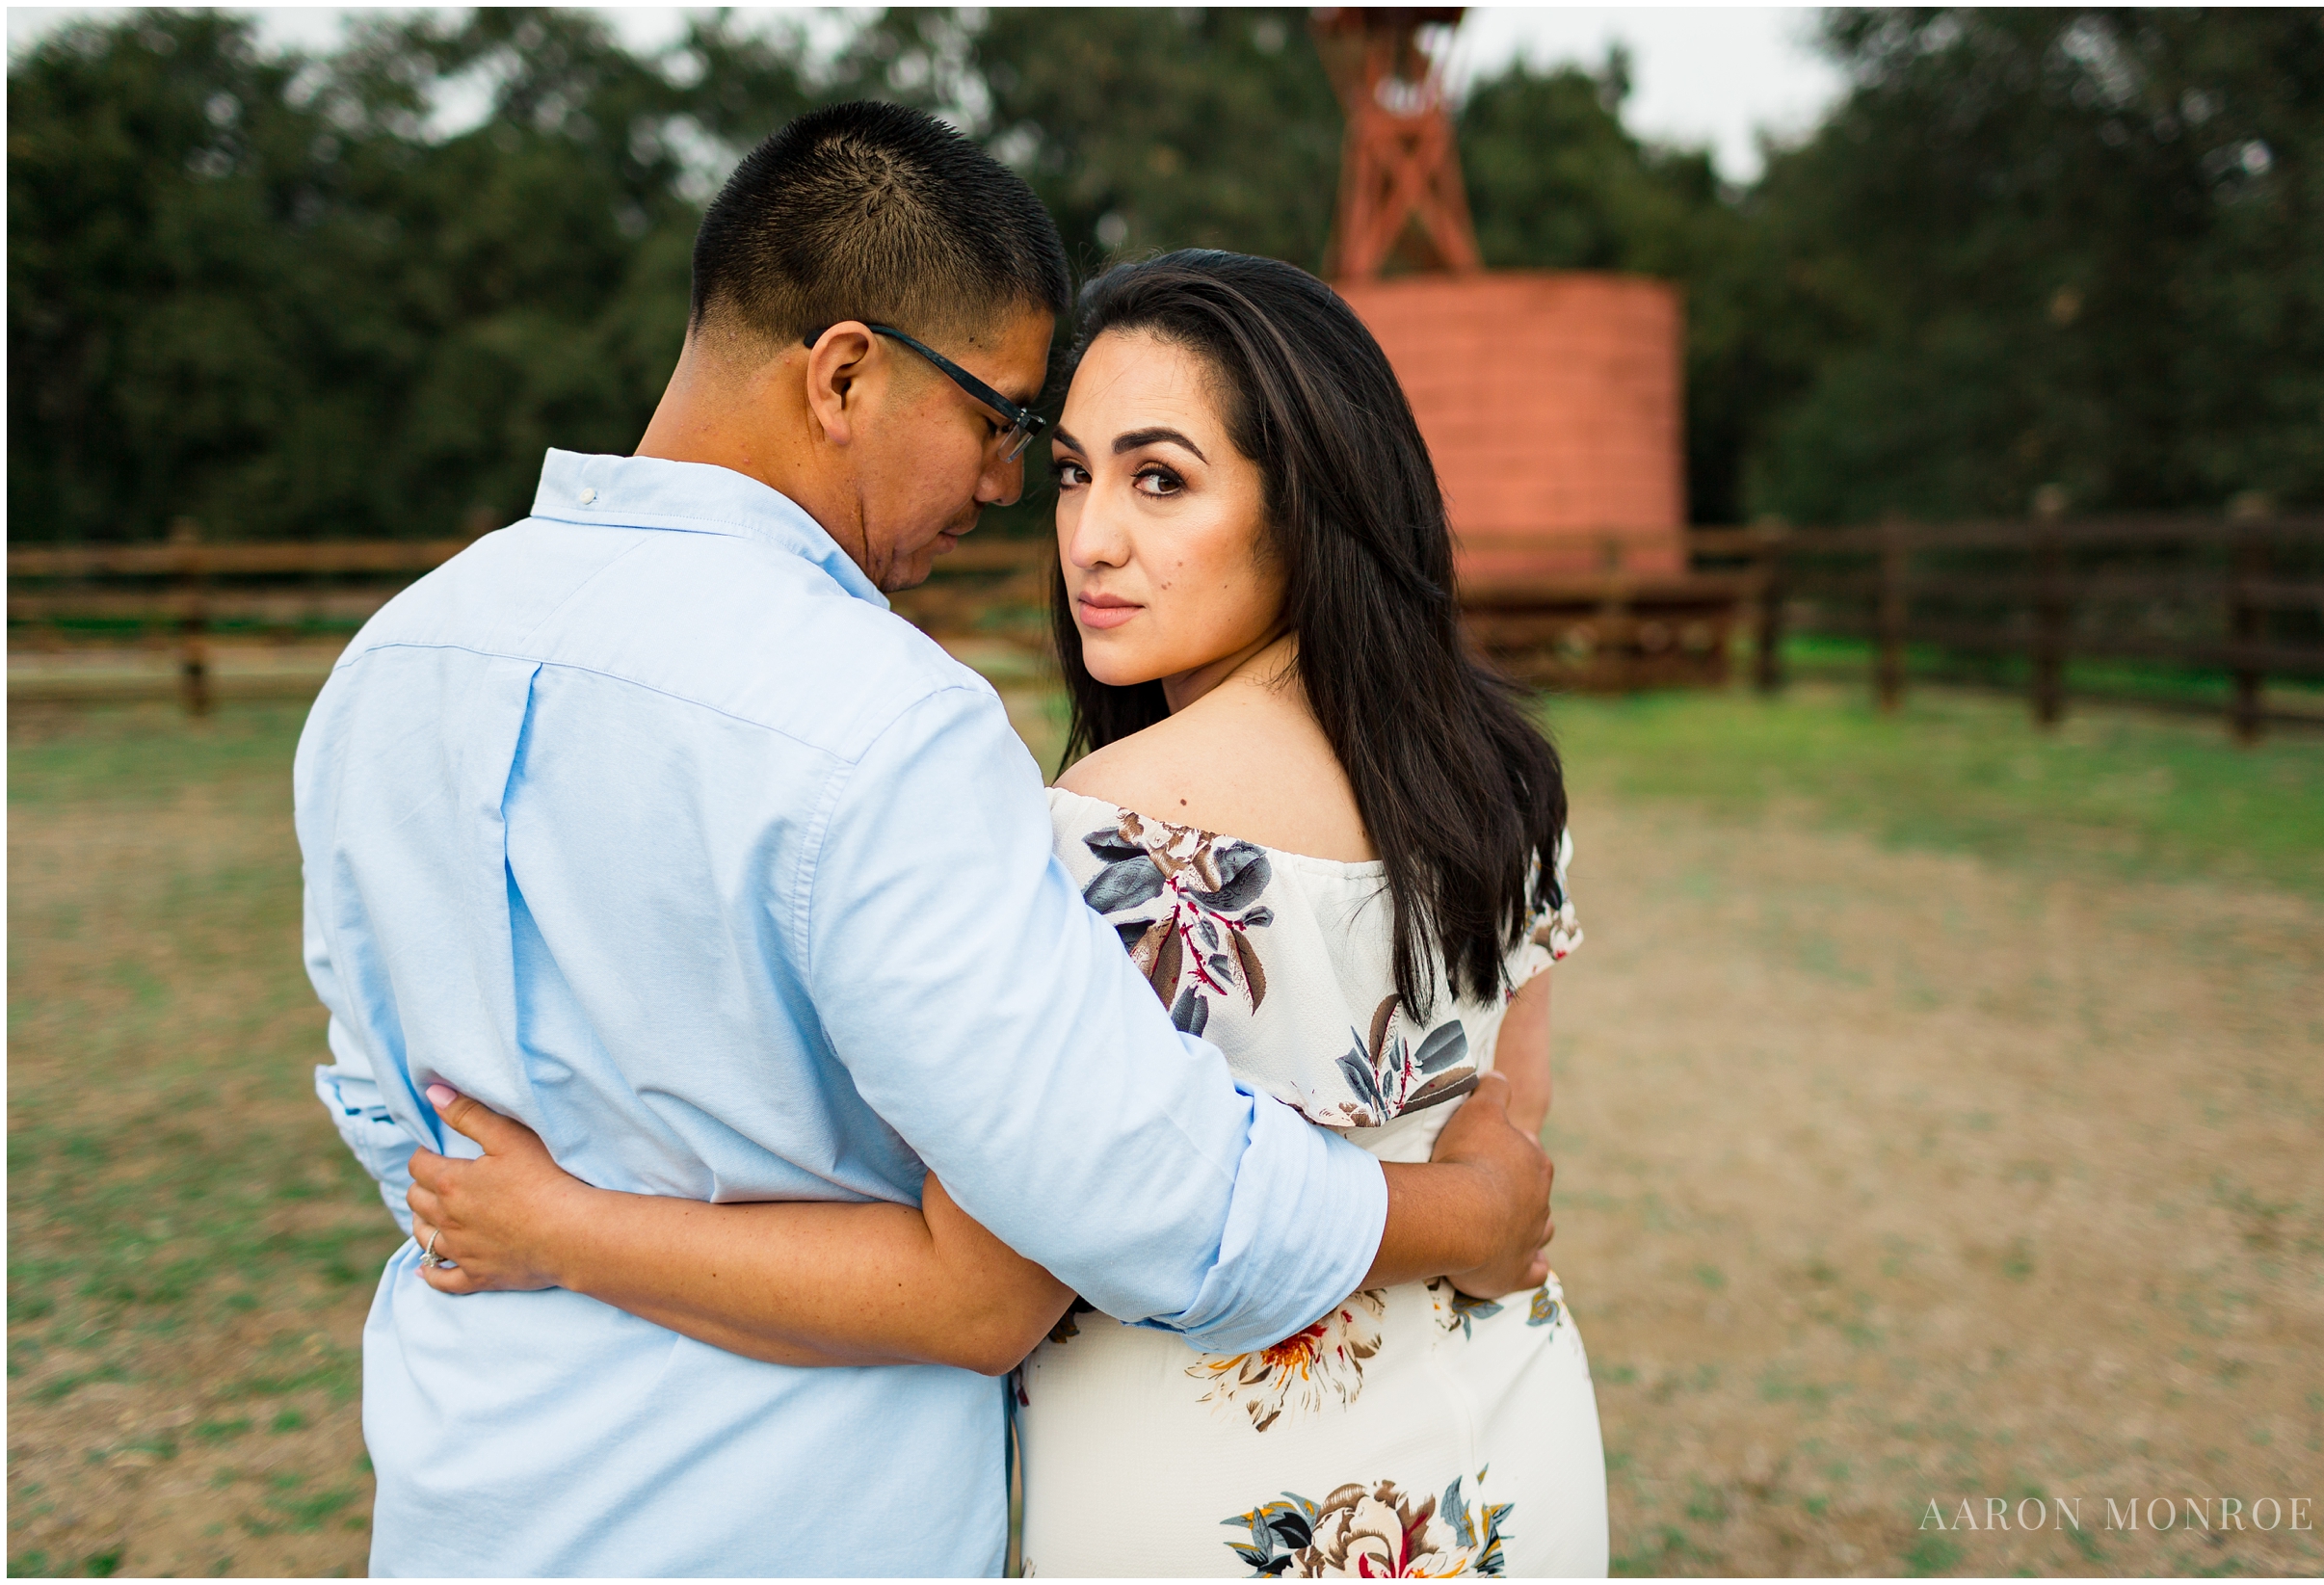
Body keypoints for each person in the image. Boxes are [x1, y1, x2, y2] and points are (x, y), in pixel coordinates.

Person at [300, 103, 1554, 1577]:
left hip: (468, 1497)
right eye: (1007, 424)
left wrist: (555, 1226)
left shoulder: (390, 664)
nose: (1013, 490)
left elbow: (411, 1142)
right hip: (789, 1521)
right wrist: (1459, 1210)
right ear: (844, 374)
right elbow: (1110, 1211)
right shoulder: (872, 720)